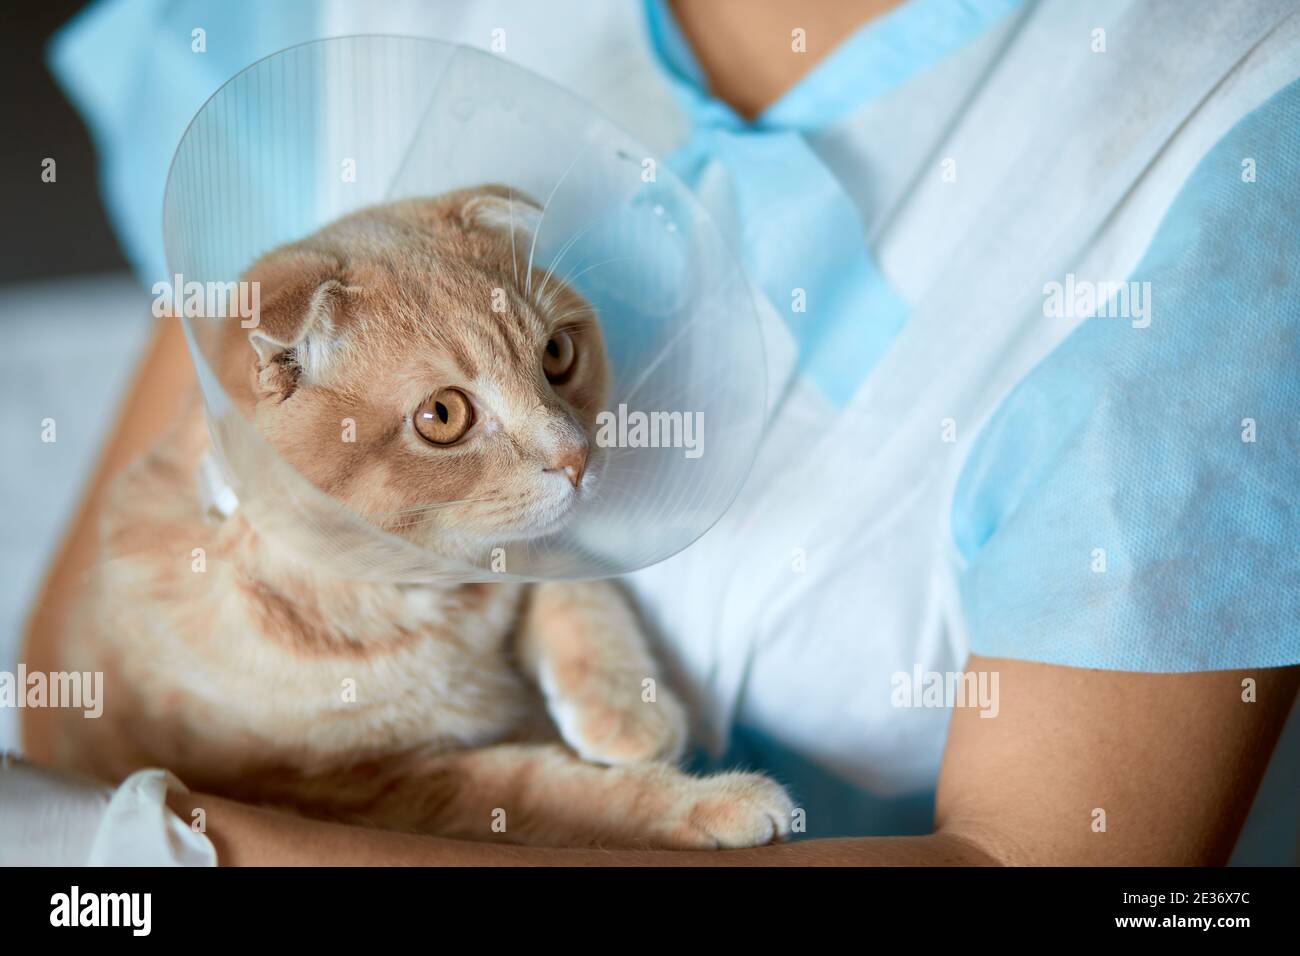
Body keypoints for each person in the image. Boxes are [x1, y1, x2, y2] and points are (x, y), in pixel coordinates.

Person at [21, 0, 1300, 864]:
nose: (572, 454)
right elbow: (62, 664)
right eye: (460, 411)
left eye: (559, 361)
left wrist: (181, 848)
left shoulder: (1241, 126)